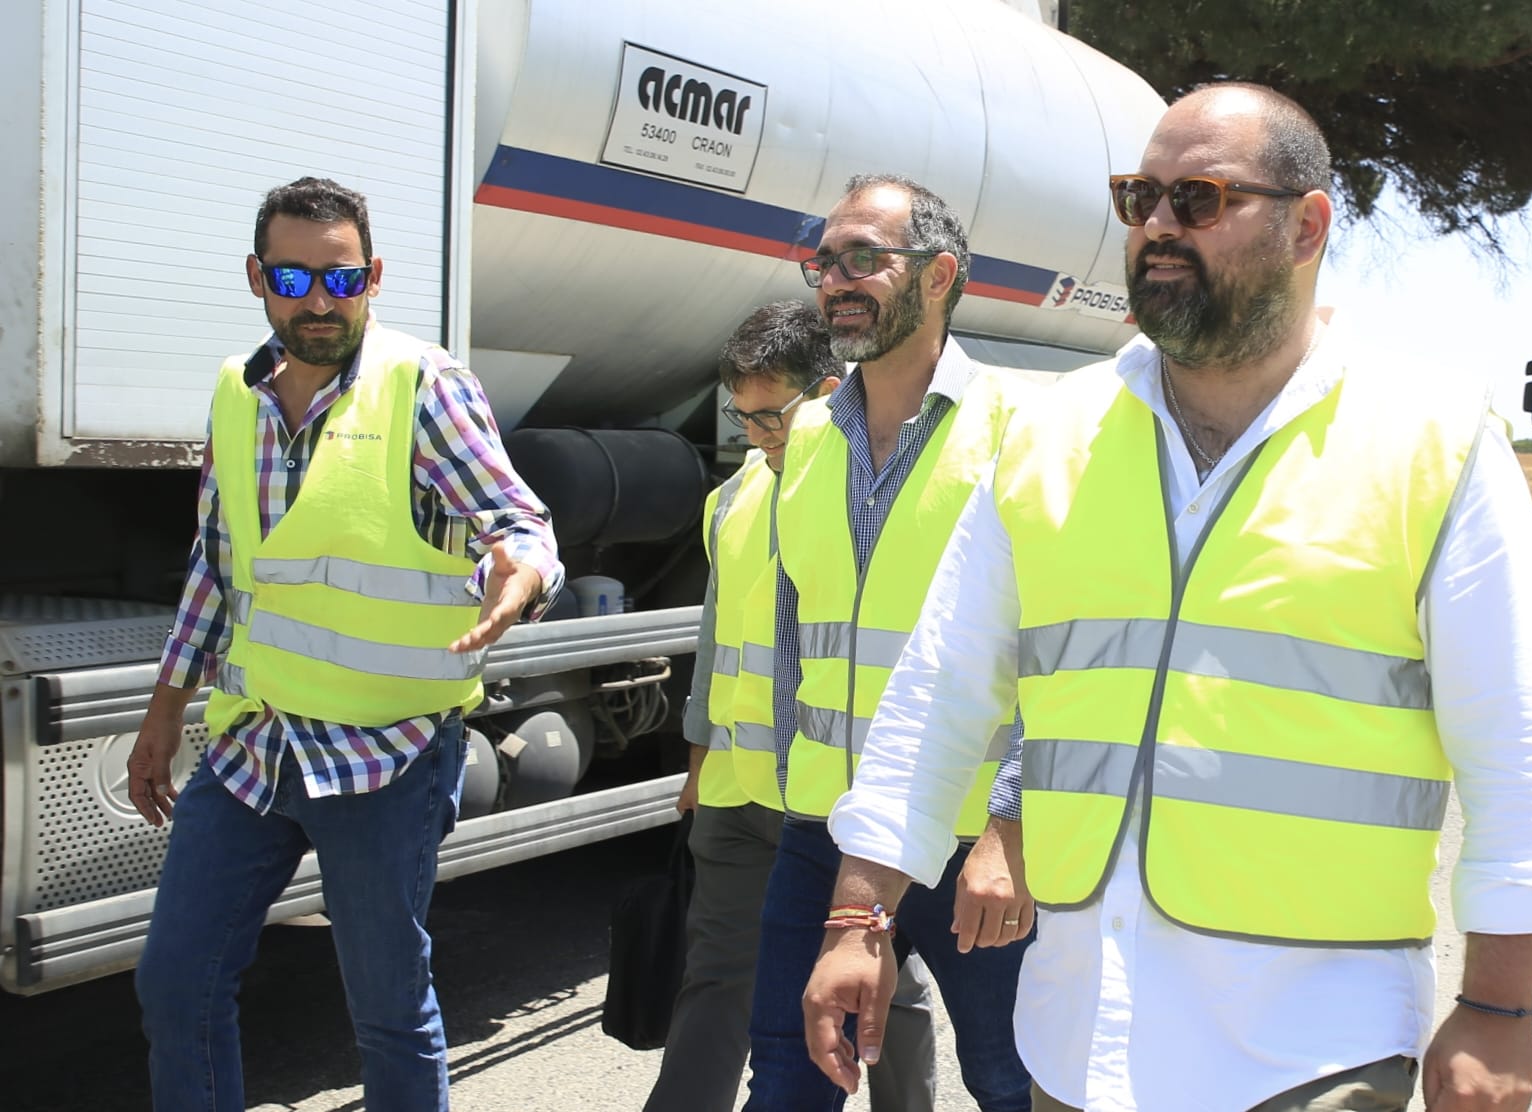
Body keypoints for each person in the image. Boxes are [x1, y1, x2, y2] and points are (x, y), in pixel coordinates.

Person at [805, 83, 1532, 1112]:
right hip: (1077, 1035)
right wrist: (859, 918)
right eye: (1141, 199)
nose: (1158, 228)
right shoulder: (1053, 436)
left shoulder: (1430, 442)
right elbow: (938, 691)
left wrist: (1500, 1004)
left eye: (1200, 198)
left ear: (1306, 224)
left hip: (1310, 1045)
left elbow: (1522, 737)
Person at [126, 176, 561, 1112]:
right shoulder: (236, 397)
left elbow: (517, 521)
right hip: (255, 744)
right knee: (175, 983)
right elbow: (217, 563)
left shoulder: (424, 385)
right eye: (293, 277)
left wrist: (519, 574)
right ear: (257, 278)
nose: (319, 300)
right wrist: (164, 711)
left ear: (374, 277)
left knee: (388, 1013)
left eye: (341, 276)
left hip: (385, 756)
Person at [735, 175, 1038, 1111]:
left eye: (867, 258)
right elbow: (796, 630)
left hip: (967, 839)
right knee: (788, 1078)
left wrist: (1010, 824)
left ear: (939, 276)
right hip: (827, 829)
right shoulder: (808, 438)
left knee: (1013, 1081)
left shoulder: (1020, 431)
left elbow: (1062, 651)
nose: (837, 279)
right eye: (825, 260)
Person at [646, 300, 939, 1112]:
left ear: (828, 390)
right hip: (739, 792)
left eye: (773, 417)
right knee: (717, 974)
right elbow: (715, 647)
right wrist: (699, 764)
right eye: (744, 420)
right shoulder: (732, 499)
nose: (759, 438)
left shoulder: (869, 496)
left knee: (884, 978)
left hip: (829, 795)